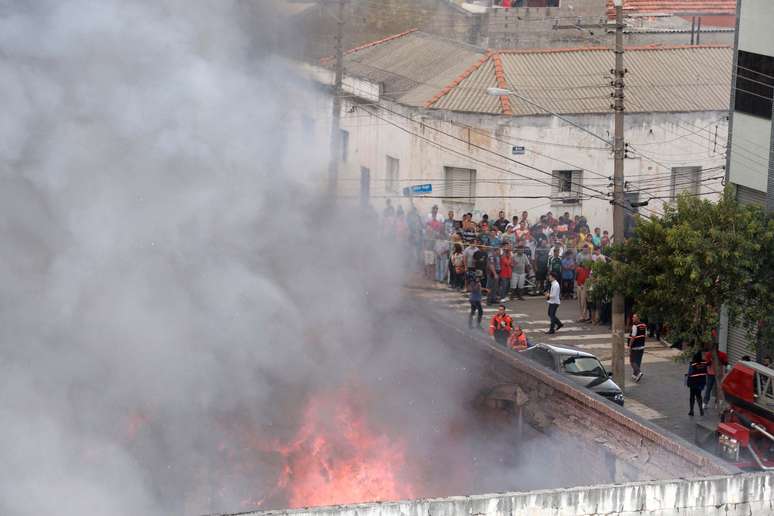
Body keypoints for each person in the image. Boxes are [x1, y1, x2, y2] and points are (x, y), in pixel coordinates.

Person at [687, 351, 708, 417]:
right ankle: (701, 410)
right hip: (701, 382)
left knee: (692, 396)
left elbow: (690, 373)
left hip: (693, 382)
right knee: (699, 395)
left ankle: (691, 411)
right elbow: (705, 371)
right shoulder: (704, 362)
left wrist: (688, 382)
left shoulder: (693, 363)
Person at [628, 313, 647, 382]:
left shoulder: (635, 326)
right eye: (633, 317)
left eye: (634, 317)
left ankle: (638, 372)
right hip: (641, 346)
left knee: (632, 361)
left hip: (635, 346)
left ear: (638, 318)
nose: (633, 318)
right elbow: (645, 335)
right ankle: (635, 374)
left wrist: (630, 346)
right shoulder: (644, 325)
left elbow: (633, 337)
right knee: (638, 361)